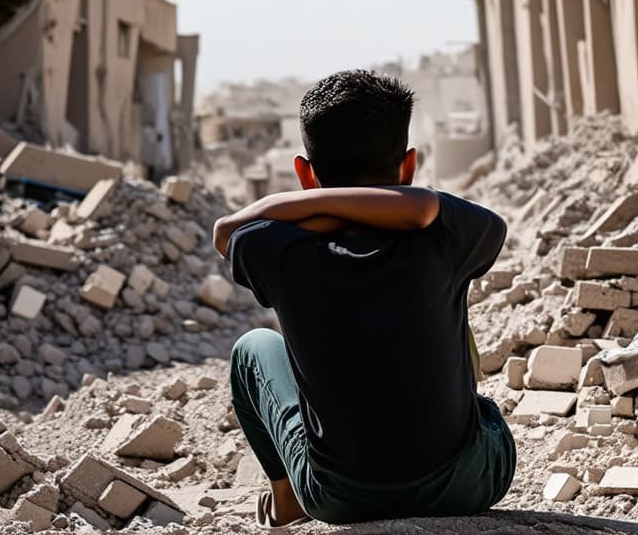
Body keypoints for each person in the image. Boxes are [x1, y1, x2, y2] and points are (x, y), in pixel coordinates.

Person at [214, 70, 516, 527]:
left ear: (304, 173)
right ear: (409, 165)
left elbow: (228, 234)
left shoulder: (277, 249)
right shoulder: (447, 235)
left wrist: (299, 204)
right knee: (484, 409)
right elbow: (432, 209)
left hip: (336, 498)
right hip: (467, 484)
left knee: (252, 349)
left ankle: (287, 500)